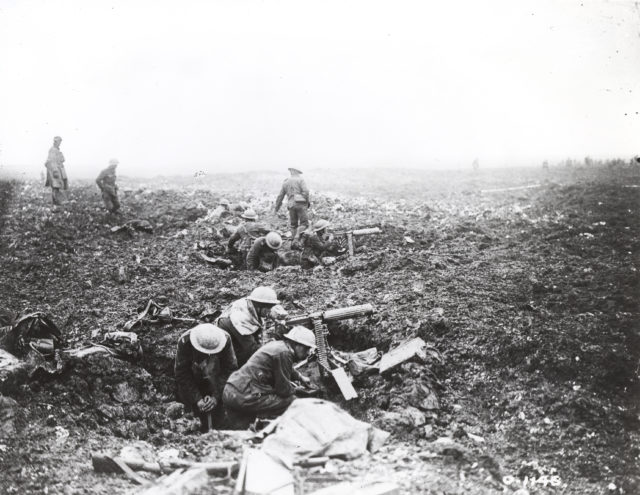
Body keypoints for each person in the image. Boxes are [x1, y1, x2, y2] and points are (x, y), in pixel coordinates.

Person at [222, 326, 315, 419]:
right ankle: (266, 420)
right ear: (296, 344)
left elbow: (286, 368)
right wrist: (298, 390)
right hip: (243, 395)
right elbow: (283, 390)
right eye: (306, 348)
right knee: (292, 401)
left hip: (233, 389)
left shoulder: (280, 346)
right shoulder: (284, 354)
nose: (308, 353)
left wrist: (299, 377)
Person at [174, 324, 238, 432]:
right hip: (194, 375)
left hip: (215, 374)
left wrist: (216, 396)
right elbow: (182, 373)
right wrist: (197, 398)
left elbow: (230, 369)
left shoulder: (225, 339)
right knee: (189, 411)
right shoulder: (185, 341)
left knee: (222, 412)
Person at [216, 286, 280, 366]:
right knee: (247, 356)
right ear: (260, 306)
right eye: (268, 308)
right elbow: (252, 349)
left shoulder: (251, 306)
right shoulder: (241, 318)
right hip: (224, 341)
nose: (269, 311)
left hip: (236, 333)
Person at [274, 168, 310, 247]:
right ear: (297, 172)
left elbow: (280, 196)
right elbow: (306, 191)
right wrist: (306, 202)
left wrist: (276, 208)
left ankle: (294, 243)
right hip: (301, 204)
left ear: (291, 172)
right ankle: (297, 238)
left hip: (291, 205)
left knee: (293, 225)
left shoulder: (286, 182)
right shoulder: (300, 180)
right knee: (304, 223)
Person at [44, 136, 68, 206]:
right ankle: (56, 201)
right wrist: (55, 171)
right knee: (56, 186)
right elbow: (51, 161)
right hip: (55, 171)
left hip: (57, 170)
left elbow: (63, 159)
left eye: (60, 142)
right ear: (55, 142)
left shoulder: (56, 150)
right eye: (58, 142)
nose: (59, 143)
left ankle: (56, 201)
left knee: (57, 186)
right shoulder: (53, 150)